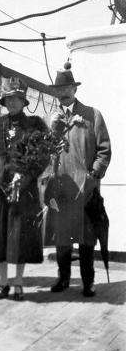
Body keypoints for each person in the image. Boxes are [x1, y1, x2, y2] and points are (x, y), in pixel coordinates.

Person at [0, 77, 50, 301]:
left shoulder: (35, 125)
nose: (12, 103)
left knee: (19, 239)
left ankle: (18, 284)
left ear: (23, 101)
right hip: (0, 193)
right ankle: (2, 284)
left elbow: (42, 156)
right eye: (9, 99)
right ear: (5, 101)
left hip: (23, 193)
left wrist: (24, 177)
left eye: (17, 99)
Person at [44, 62, 111, 297]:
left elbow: (104, 150)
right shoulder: (50, 120)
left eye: (67, 88)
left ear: (74, 89)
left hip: (86, 190)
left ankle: (88, 282)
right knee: (62, 239)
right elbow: (44, 154)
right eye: (59, 89)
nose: (63, 93)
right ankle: (63, 279)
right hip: (61, 191)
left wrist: (93, 175)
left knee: (86, 239)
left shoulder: (92, 115)